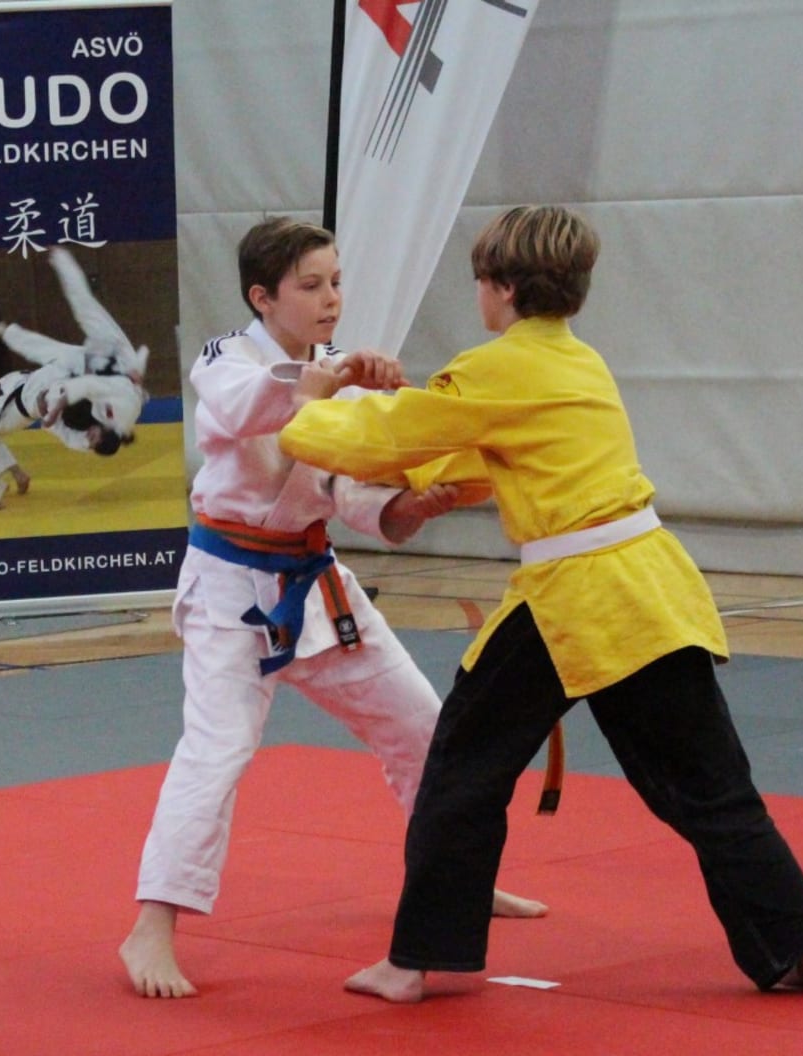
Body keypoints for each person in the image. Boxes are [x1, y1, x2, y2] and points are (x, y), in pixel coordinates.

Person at [278, 205, 803, 1003]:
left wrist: (309, 405)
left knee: (462, 767)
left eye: (481, 282)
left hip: (573, 599)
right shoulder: (579, 362)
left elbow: (374, 437)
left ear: (502, 288)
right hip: (649, 590)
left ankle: (419, 959)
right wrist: (427, 479)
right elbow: (485, 457)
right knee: (709, 785)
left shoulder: (498, 369)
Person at [122, 217, 546, 999]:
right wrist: (331, 378)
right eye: (311, 285)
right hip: (230, 588)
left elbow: (351, 494)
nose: (331, 299)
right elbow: (246, 413)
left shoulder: (336, 373)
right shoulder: (227, 359)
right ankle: (152, 924)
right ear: (263, 297)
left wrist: (411, 506)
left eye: (337, 283)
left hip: (317, 584)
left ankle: (456, 880)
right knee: (217, 751)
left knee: (426, 728)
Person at [0, 247, 148, 510]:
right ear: (106, 431)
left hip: (66, 378)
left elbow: (72, 411)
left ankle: (8, 325)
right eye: (95, 437)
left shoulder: (85, 427)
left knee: (49, 352)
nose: (90, 436)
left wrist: (50, 417)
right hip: (118, 362)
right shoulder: (123, 409)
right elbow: (95, 383)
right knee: (85, 306)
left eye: (90, 439)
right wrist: (135, 372)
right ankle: (61, 257)